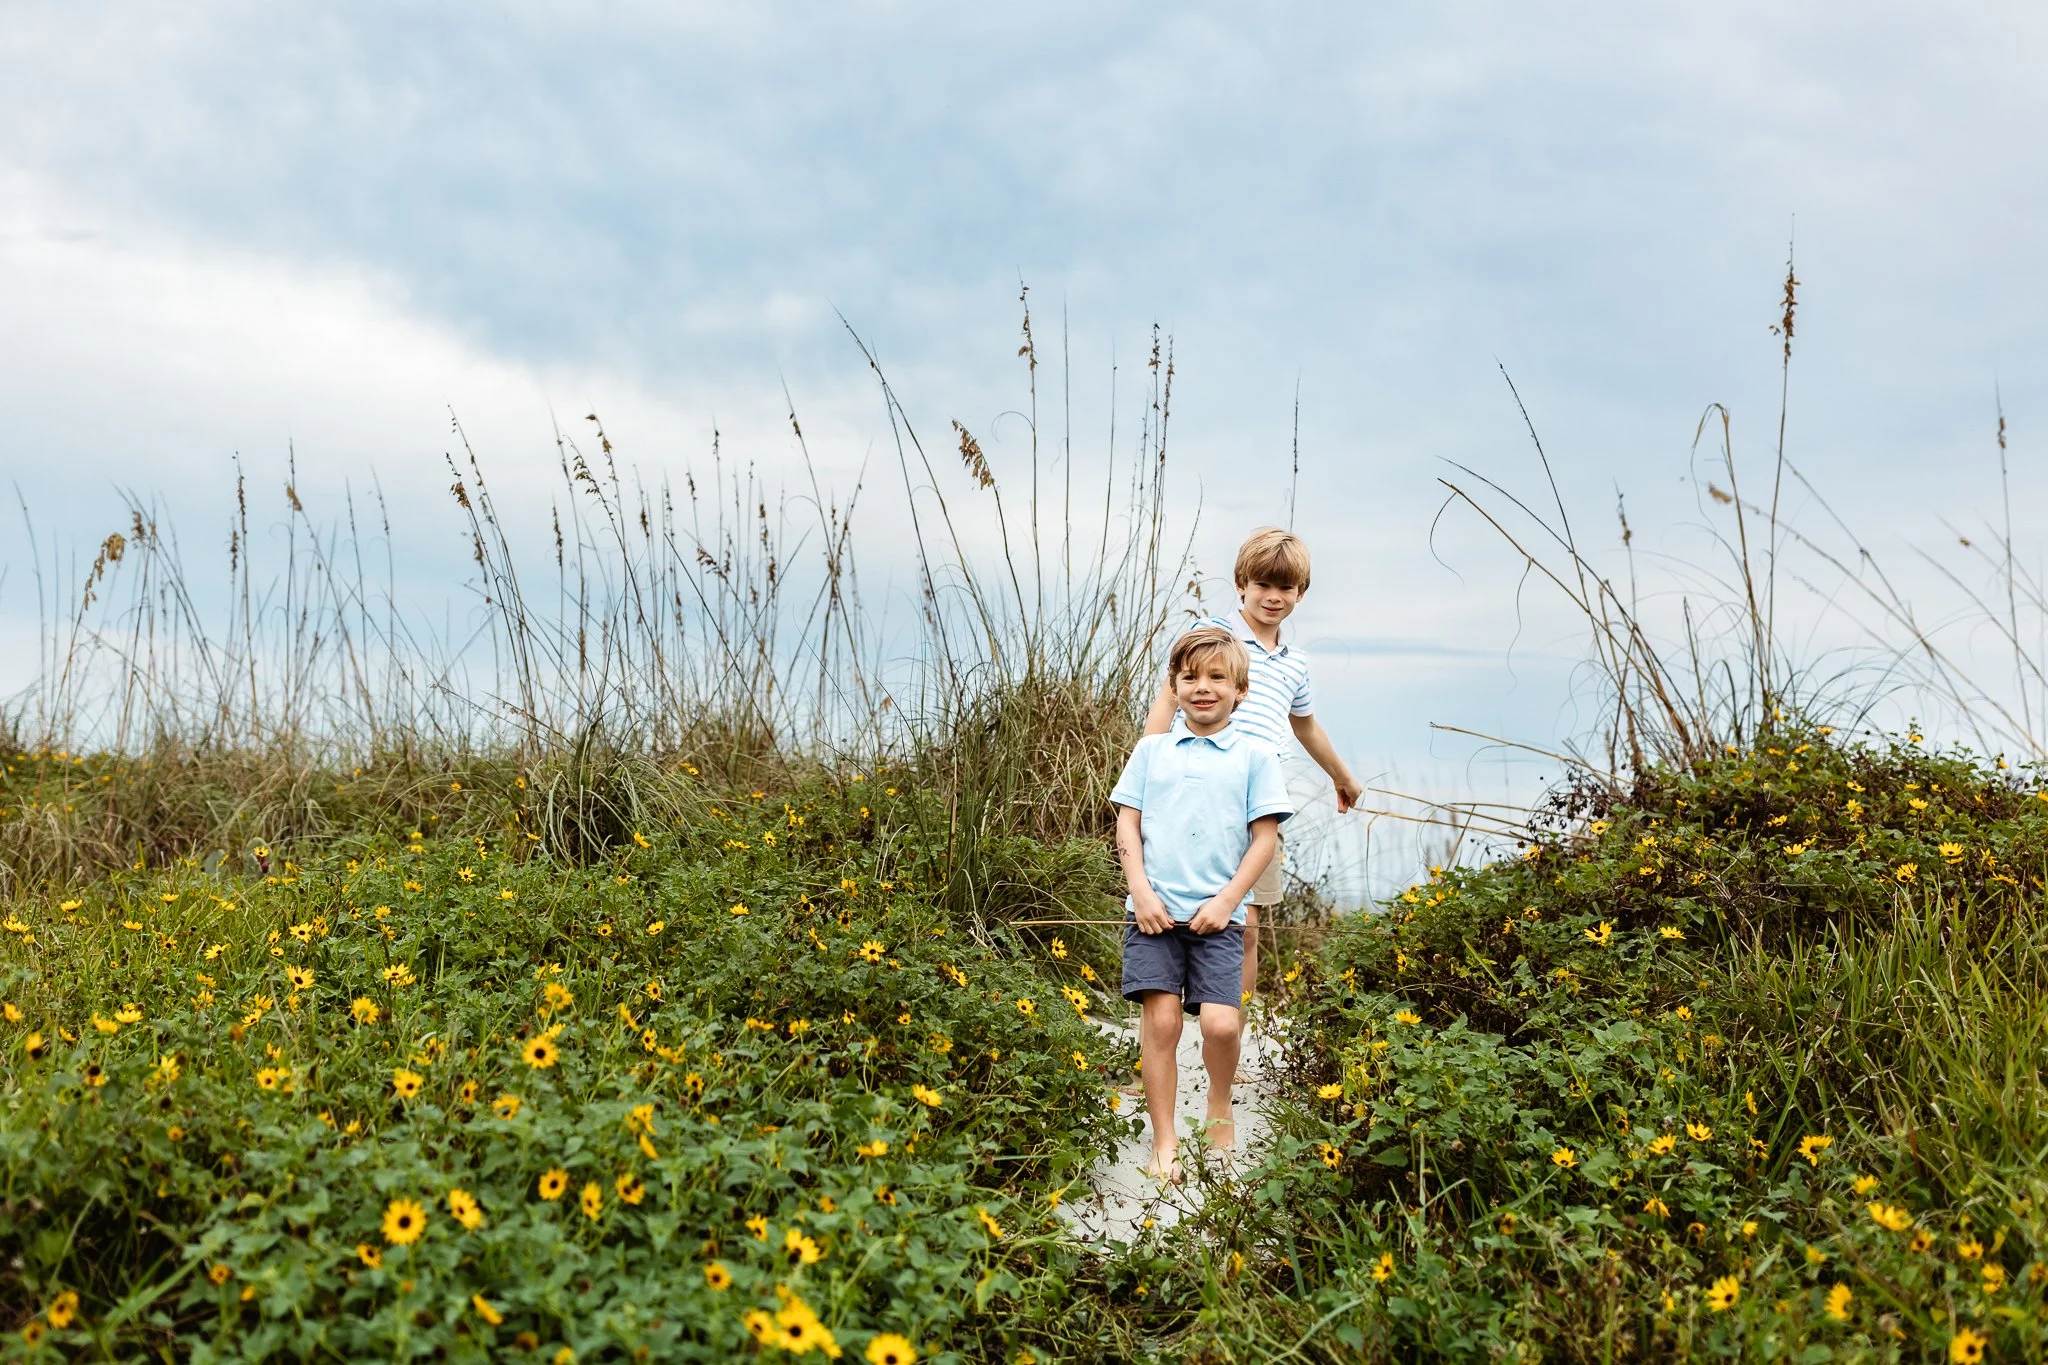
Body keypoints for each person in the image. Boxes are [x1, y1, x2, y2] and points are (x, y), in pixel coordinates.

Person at [1143, 528, 1361, 1010]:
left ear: (1300, 594)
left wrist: (1341, 776)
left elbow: (1304, 726)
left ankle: (1227, 1037)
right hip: (1190, 790)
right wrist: (1149, 760)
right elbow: (1166, 697)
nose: (1273, 597)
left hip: (1253, 802)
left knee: (1245, 927)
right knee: (1168, 922)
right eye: (1263, 585)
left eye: (1285, 588)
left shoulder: (1294, 664)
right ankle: (1159, 1036)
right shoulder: (1210, 635)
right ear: (1241, 583)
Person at [1113, 625, 1293, 1180]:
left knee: (1219, 1024)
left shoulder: (1255, 756)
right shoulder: (1151, 751)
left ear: (1240, 689)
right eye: (1189, 677)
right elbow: (1127, 822)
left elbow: (1264, 838)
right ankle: (1164, 1141)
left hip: (1220, 918)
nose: (1202, 687)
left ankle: (1219, 1105)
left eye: (1217, 677)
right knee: (1161, 1024)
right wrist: (1140, 892)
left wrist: (1228, 901)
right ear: (1175, 686)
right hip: (1153, 917)